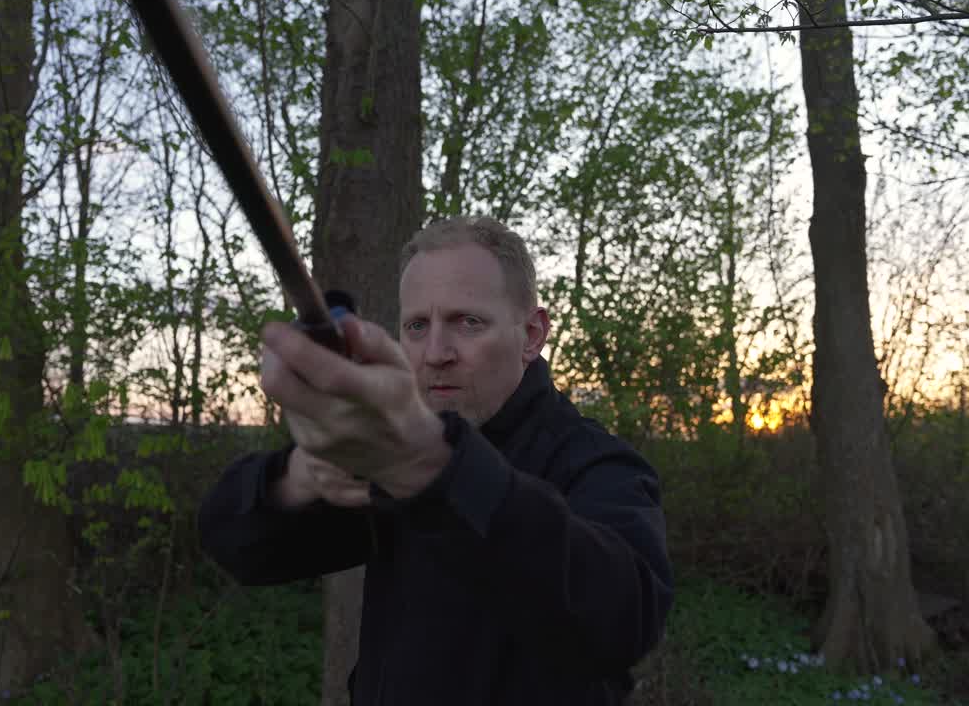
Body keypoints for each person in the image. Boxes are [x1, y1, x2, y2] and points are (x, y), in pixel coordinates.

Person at [198, 215, 673, 705]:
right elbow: (233, 542)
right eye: (417, 326)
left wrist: (434, 468)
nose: (436, 353)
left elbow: (625, 621)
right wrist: (301, 474)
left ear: (532, 334)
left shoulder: (596, 463)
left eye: (469, 322)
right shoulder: (389, 456)